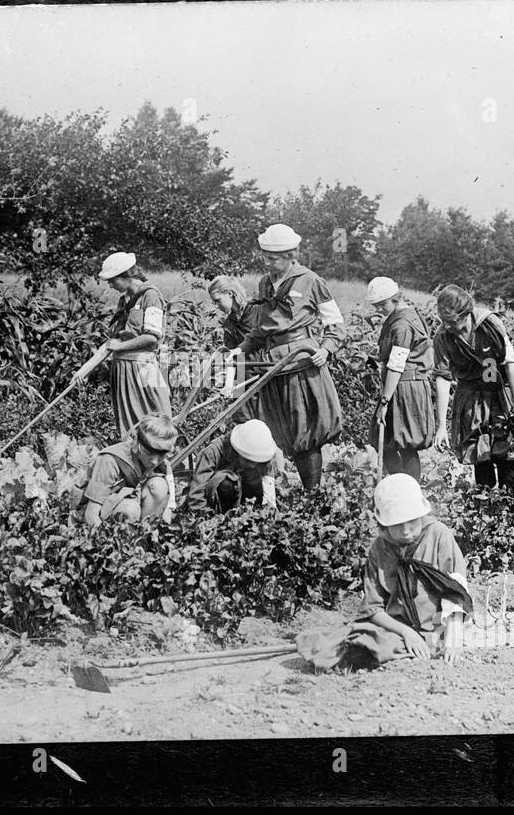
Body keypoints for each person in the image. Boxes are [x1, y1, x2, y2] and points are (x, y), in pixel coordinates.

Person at [297, 474, 473, 671]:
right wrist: (407, 633)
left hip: (436, 627)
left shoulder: (438, 535)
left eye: (412, 522)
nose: (406, 531)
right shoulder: (379, 548)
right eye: (397, 525)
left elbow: (456, 592)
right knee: (351, 642)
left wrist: (454, 641)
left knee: (377, 649)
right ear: (384, 523)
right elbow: (373, 608)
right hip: (395, 628)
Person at [236, 223, 345, 491]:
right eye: (265, 257)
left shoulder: (311, 281)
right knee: (280, 432)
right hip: (272, 365)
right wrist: (239, 351)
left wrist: (326, 348)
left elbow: (336, 323)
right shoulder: (265, 283)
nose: (268, 263)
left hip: (300, 364)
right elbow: (261, 329)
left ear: (291, 255)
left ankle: (313, 496)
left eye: (273, 258)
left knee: (305, 432)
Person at [431, 284, 514, 491]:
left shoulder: (489, 324)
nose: (451, 328)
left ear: (466, 313)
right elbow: (443, 379)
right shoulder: (443, 337)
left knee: (506, 448)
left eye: (454, 322)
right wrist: (441, 426)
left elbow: (510, 363)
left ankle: (510, 502)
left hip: (500, 389)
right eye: (446, 323)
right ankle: (485, 502)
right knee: (479, 450)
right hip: (471, 393)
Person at [365, 277, 436, 480]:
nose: (379, 310)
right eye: (376, 306)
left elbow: (397, 365)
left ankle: (409, 489)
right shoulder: (401, 317)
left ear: (395, 299)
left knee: (405, 442)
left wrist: (384, 401)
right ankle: (400, 483)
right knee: (387, 439)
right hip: (400, 385)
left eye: (382, 305)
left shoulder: (402, 324)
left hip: (405, 387)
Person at [97, 251, 172, 438]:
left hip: (144, 368)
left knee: (155, 422)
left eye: (112, 280)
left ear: (126, 276)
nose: (111, 285)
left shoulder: (151, 296)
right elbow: (114, 338)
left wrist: (120, 347)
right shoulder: (124, 300)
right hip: (123, 370)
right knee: (130, 426)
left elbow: (152, 336)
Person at [79, 413, 178, 527]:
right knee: (129, 509)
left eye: (162, 455)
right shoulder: (110, 460)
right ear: (136, 440)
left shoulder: (164, 465)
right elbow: (91, 514)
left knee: (159, 486)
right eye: (149, 453)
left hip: (134, 503)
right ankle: (123, 537)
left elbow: (168, 509)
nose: (155, 461)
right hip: (102, 511)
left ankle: (143, 532)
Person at [186, 419, 283, 514]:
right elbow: (196, 495)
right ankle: (224, 515)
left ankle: (250, 513)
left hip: (246, 497)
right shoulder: (213, 452)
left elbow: (268, 488)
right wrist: (208, 520)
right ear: (237, 451)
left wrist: (270, 513)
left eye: (256, 461)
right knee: (226, 483)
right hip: (217, 501)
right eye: (248, 460)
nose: (253, 465)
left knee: (254, 476)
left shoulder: (262, 456)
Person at [208, 273, 264, 419]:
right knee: (242, 420)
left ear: (230, 293)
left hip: (265, 374)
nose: (216, 306)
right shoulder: (228, 324)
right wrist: (228, 385)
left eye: (218, 300)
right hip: (242, 378)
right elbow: (231, 357)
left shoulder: (257, 310)